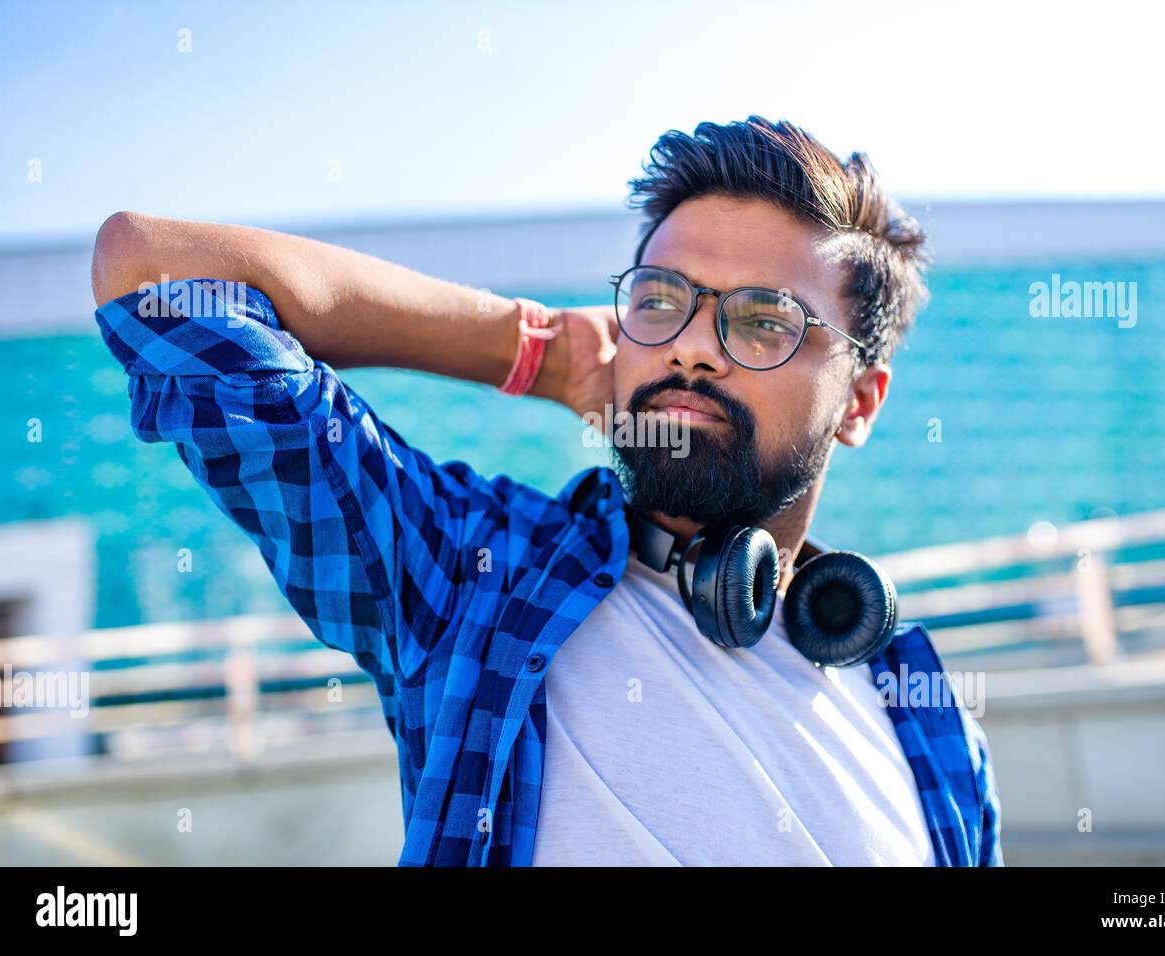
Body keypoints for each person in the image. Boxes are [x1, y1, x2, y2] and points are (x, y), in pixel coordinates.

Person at [90, 115, 1002, 867]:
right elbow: (152, 272)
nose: (689, 345)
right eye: (660, 299)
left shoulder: (926, 717)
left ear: (861, 402)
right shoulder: (470, 578)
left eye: (761, 320)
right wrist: (539, 352)